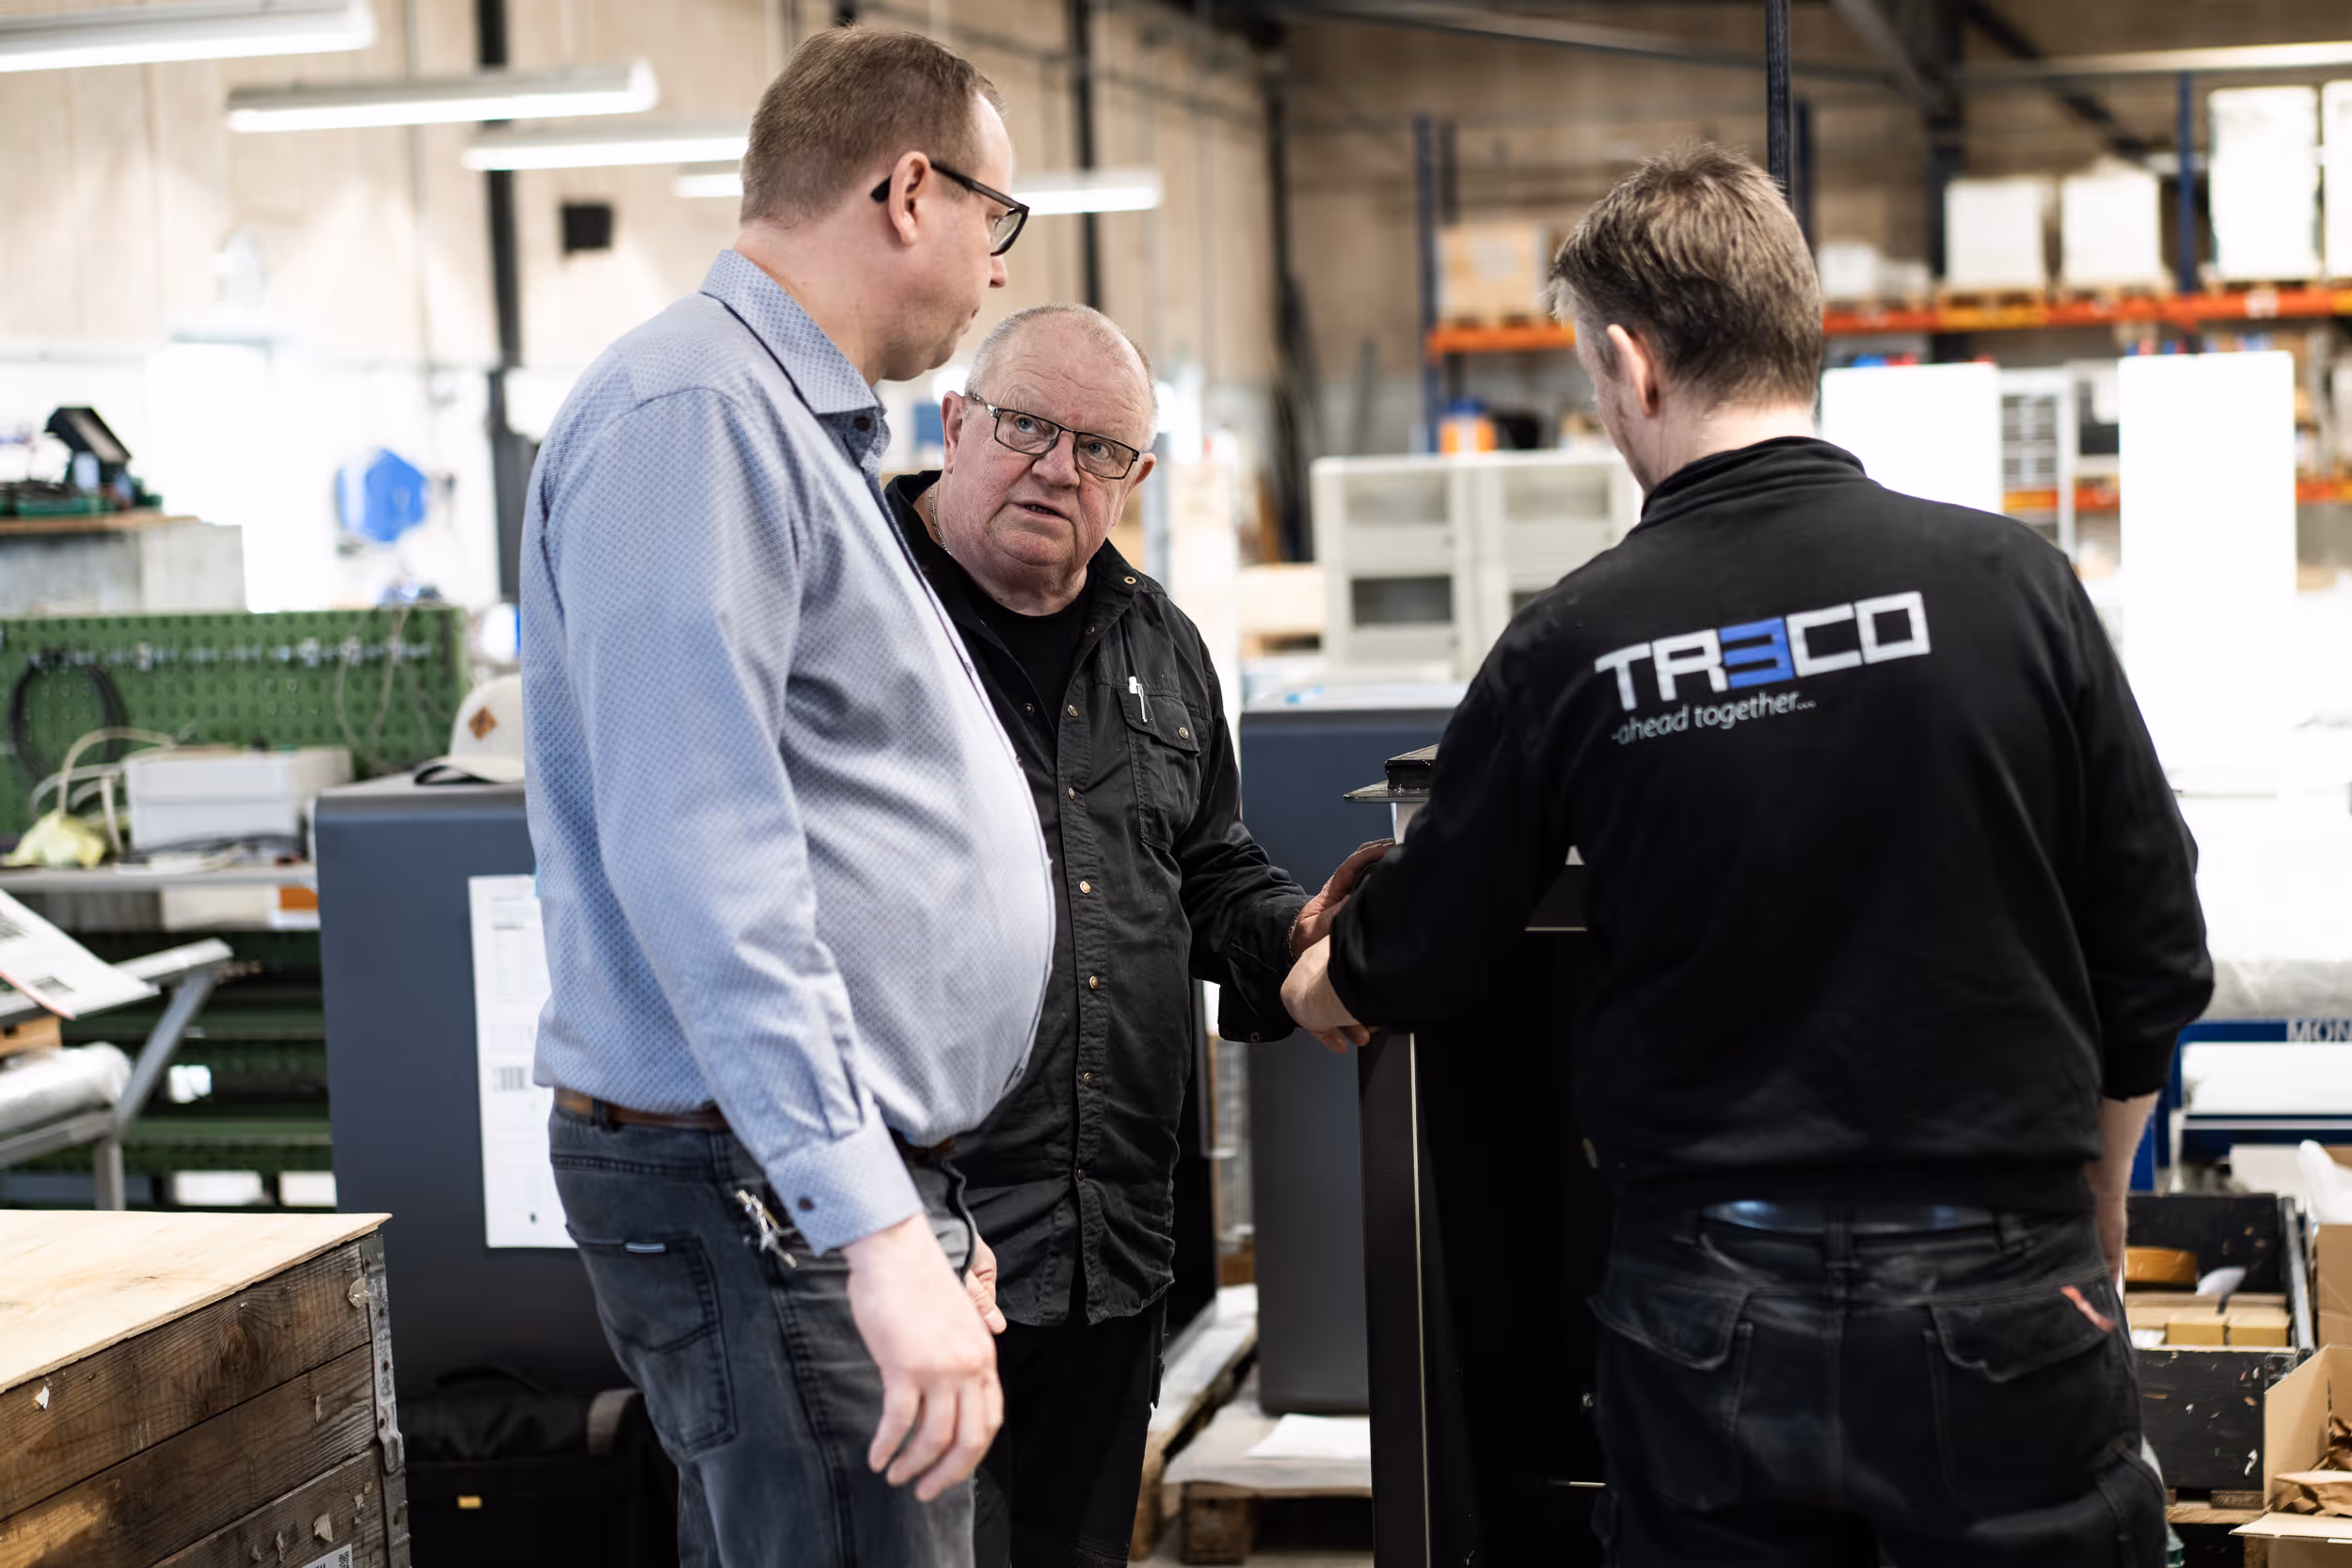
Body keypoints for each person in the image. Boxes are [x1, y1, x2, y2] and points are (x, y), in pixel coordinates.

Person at [1282, 144, 2212, 1565]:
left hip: (1712, 1304)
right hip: (2004, 1278)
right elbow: (2153, 944)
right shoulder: (2015, 585)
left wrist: (1322, 979)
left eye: (1595, 380)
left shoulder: (1576, 639)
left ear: (1633, 364)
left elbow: (1427, 940)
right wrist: (2090, 1204)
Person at [520, 28, 1055, 1567]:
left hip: (803, 1175)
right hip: (759, 1184)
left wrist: (910, 1198)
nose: (997, 267)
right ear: (910, 190)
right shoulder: (693, 417)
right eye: (996, 218)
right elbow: (705, 860)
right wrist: (872, 1225)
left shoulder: (783, 423)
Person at [882, 303, 1382, 1568]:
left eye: (1099, 448)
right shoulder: (858, 620)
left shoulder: (1158, 641)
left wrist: (1299, 933)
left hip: (1110, 1246)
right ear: (956, 424)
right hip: (918, 1247)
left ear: (1137, 475)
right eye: (1027, 427)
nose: (1058, 467)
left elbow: (1206, 869)